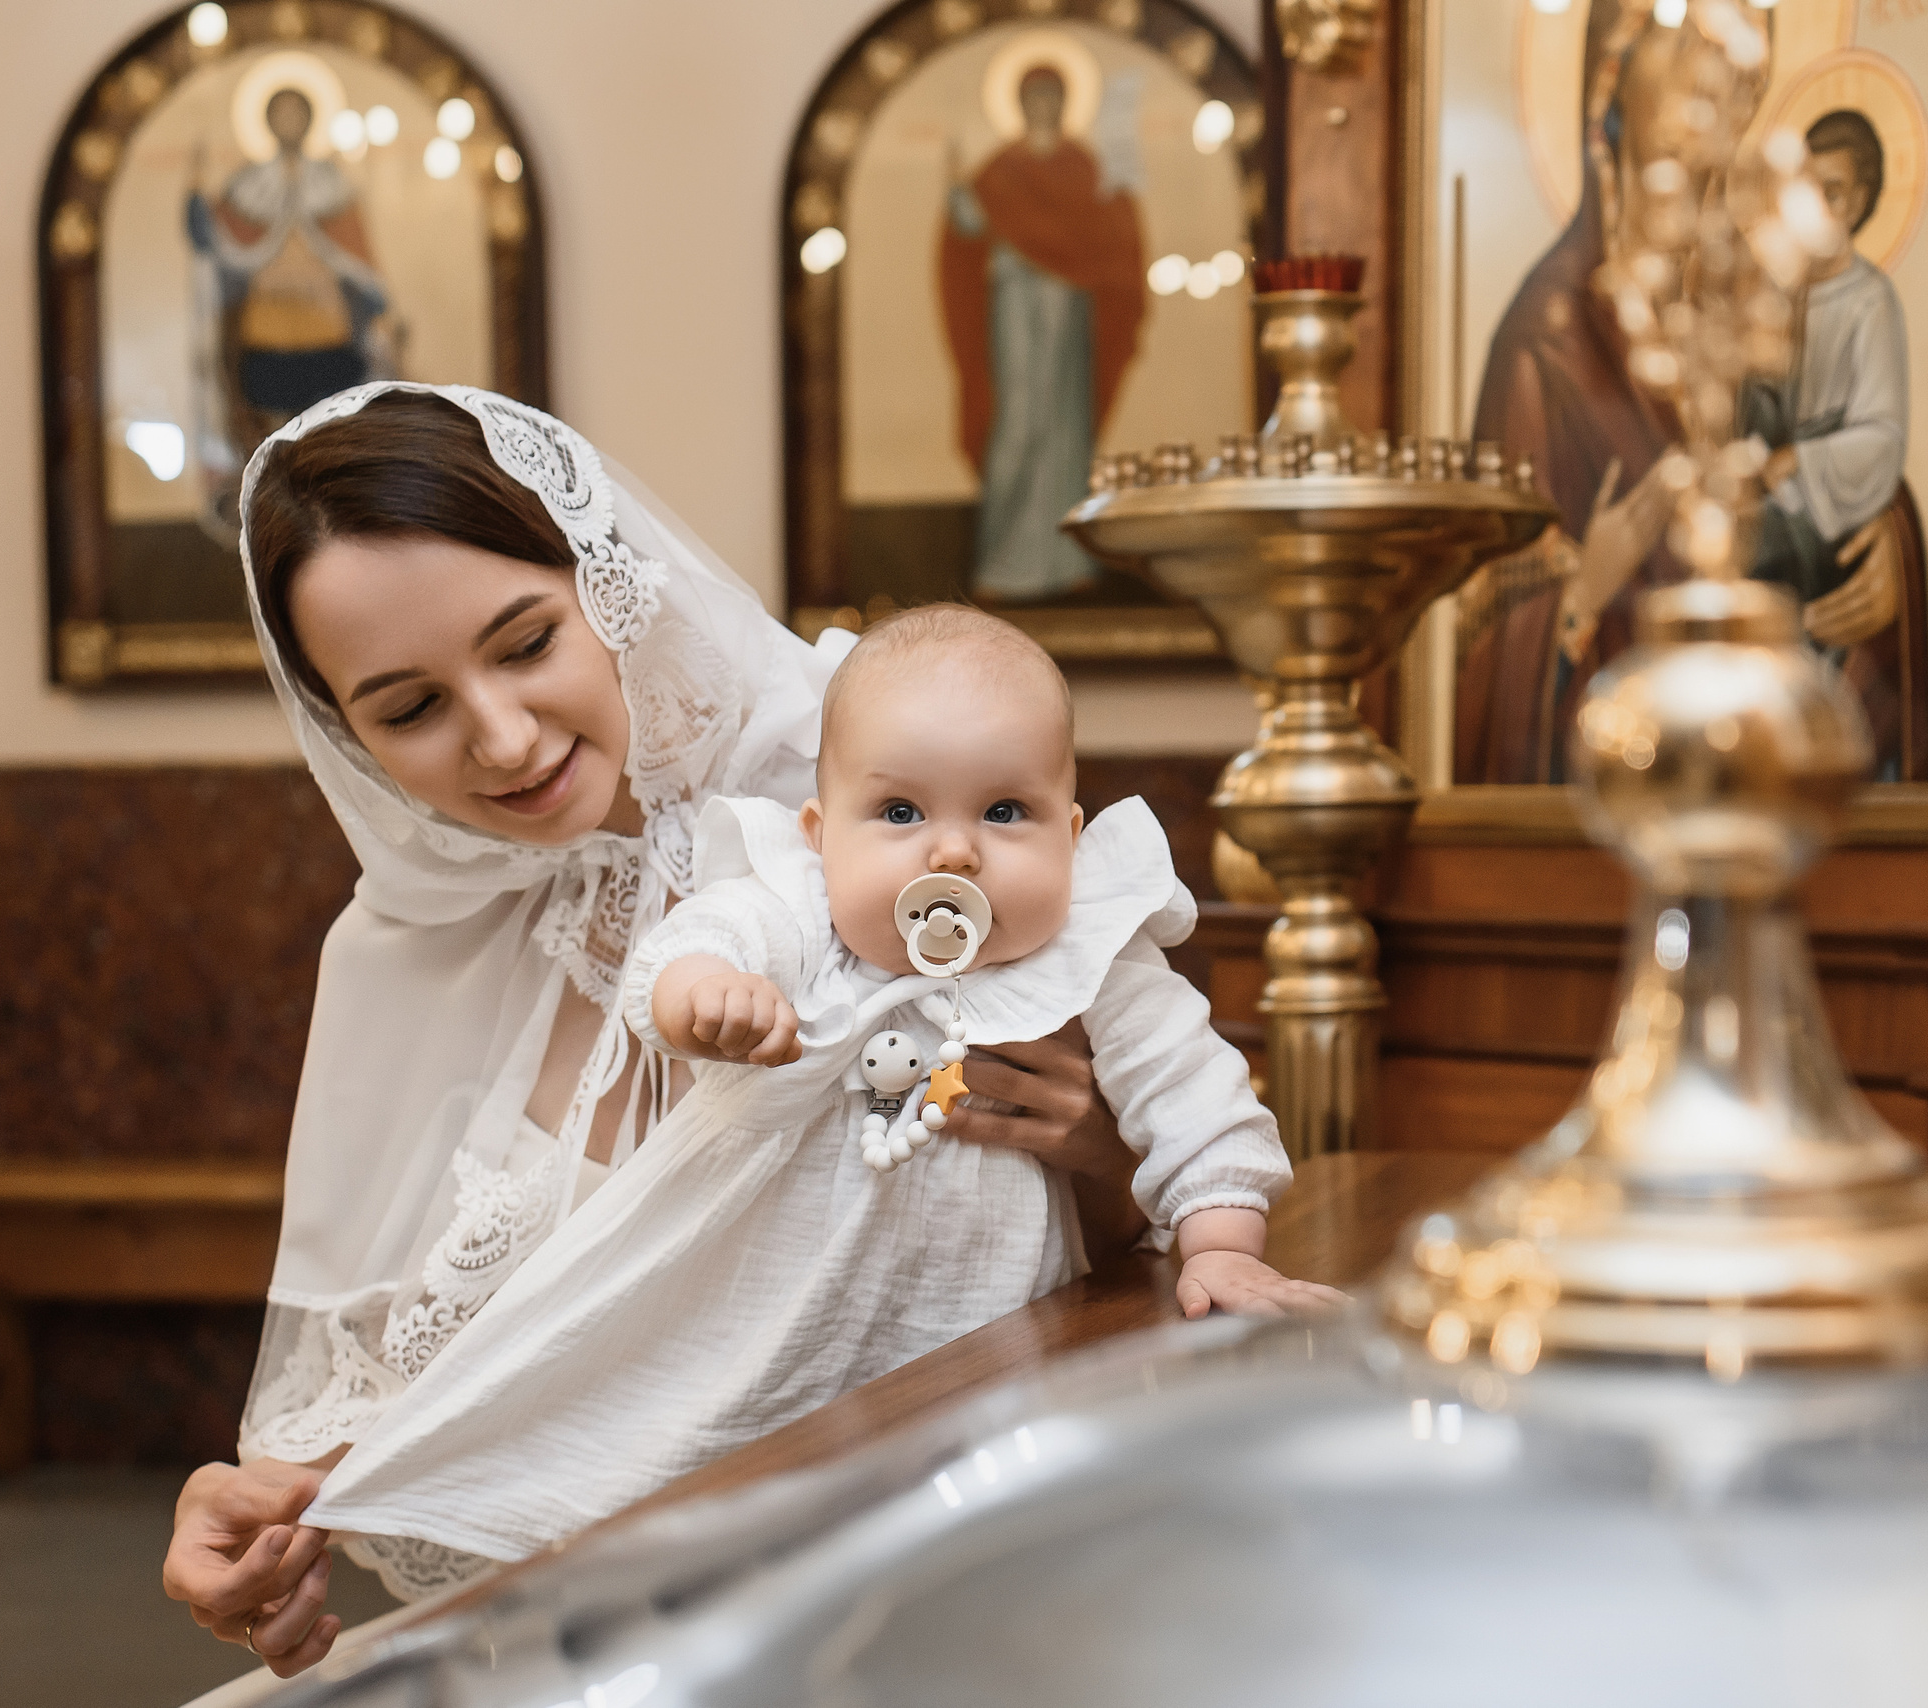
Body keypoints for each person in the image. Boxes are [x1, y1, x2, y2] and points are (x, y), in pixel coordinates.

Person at [161, 385, 1146, 1675]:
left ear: (610, 584)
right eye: (410, 709)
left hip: (929, 1593)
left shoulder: (880, 804)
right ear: (349, 741)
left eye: (524, 643)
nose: (502, 738)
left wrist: (1104, 1151)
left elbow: (1153, 1210)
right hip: (596, 1628)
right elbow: (428, 1396)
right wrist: (253, 1522)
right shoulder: (412, 952)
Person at [297, 605, 1329, 1564]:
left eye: (1006, 809)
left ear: (1072, 833)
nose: (953, 847)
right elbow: (685, 950)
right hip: (777, 1342)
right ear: (817, 835)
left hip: (994, 1351)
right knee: (720, 1505)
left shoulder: (1093, 960)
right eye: (899, 810)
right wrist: (706, 994)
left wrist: (1223, 1246)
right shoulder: (797, 918)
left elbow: (1201, 1098)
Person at [1453, 18, 1928, 782]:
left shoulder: (1758, 294)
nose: (1708, 83)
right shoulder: (1547, 344)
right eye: (1678, 40)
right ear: (1611, 81)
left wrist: (1887, 561)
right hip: (1611, 809)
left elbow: (1803, 474)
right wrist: (1579, 597)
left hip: (1769, 771)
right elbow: (1482, 640)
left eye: (1731, 55)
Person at [1741, 108, 1928, 780]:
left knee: (1757, 552)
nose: (1817, 208)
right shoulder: (1776, 291)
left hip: (1826, 499)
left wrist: (1805, 460)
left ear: (1860, 204)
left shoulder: (1869, 300)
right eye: (1805, 190)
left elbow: (1881, 432)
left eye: (1834, 192)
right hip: (1776, 483)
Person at [939, 65, 1147, 602]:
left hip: (1068, 313)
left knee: (1065, 429)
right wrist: (958, 195)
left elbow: (1112, 229)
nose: (1043, 104)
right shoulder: (1000, 171)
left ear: (1066, 101)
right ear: (1018, 102)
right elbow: (969, 228)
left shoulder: (1084, 167)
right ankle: (1005, 561)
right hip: (1015, 308)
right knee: (1019, 422)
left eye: (1053, 95)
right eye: (1033, 95)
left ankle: (1067, 558)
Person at [186, 87, 395, 533]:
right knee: (272, 448)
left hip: (328, 329)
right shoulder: (247, 185)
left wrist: (375, 301)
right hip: (267, 333)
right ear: (265, 120)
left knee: (328, 439)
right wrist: (198, 211)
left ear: (309, 119)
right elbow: (219, 241)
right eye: (278, 114)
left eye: (295, 114)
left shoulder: (333, 183)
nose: (288, 122)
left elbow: (356, 254)